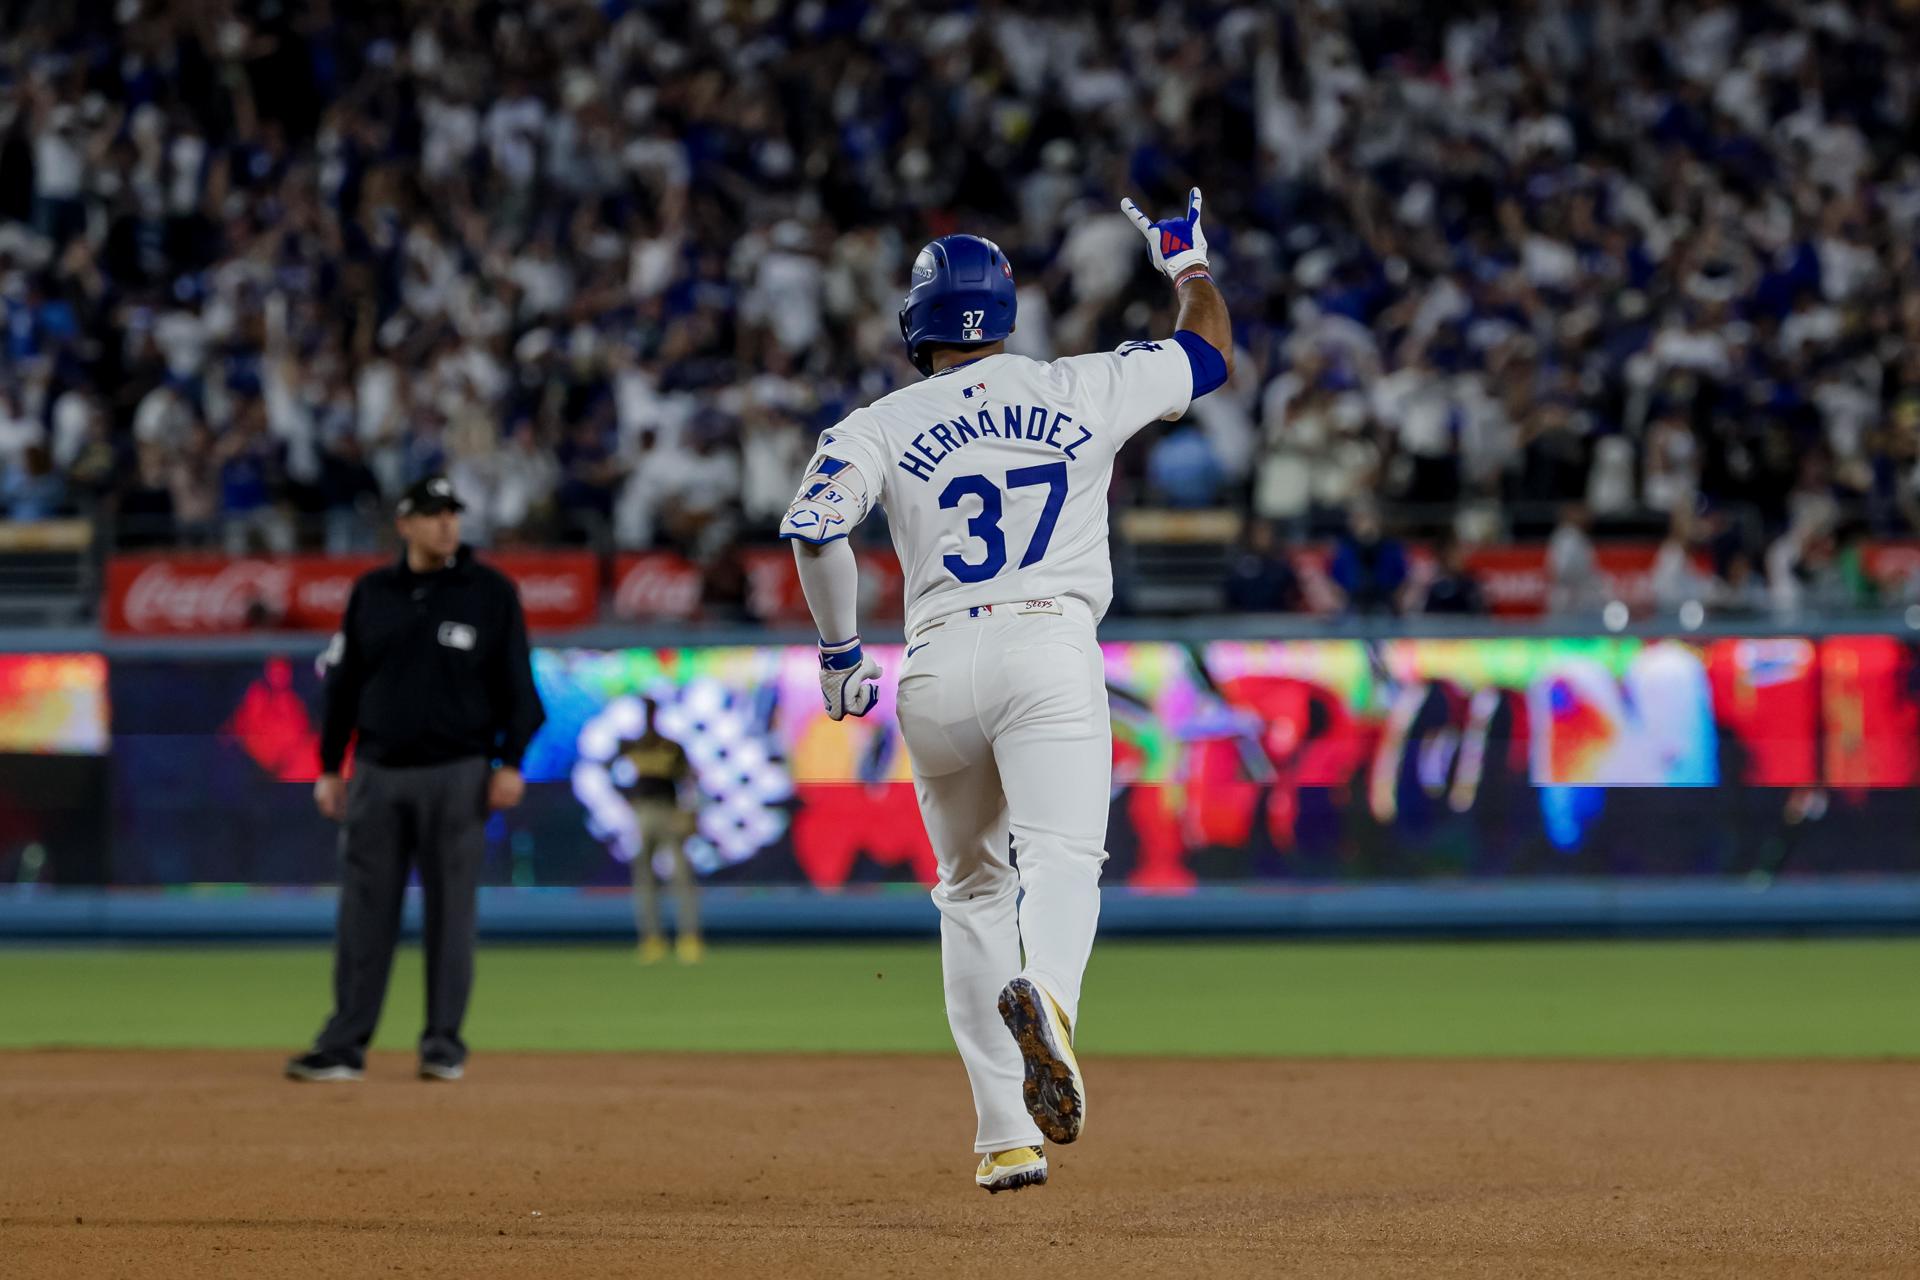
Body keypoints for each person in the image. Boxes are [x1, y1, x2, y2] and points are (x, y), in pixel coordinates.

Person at [783, 191, 1231, 1194]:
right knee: (1063, 855)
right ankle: (1054, 1009)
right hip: (1048, 645)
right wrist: (1188, 266)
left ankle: (1004, 1137)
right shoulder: (1081, 385)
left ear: (918, 324)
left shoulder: (878, 423)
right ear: (1008, 312)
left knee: (971, 892)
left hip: (937, 663)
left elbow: (814, 529)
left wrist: (840, 653)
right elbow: (1208, 357)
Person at [286, 476, 546, 1084]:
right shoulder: (372, 592)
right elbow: (343, 688)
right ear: (404, 524)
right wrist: (329, 766)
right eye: (432, 514)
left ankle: (442, 1044)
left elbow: (520, 692)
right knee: (362, 915)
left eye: (452, 513)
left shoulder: (489, 593)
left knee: (452, 916)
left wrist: (511, 763)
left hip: (458, 773)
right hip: (376, 774)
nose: (446, 525)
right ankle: (345, 1045)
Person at [616, 699, 702, 964]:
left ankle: (688, 937)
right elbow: (613, 775)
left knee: (680, 875)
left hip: (669, 810)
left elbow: (688, 779)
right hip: (643, 811)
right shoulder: (632, 746)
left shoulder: (671, 747)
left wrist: (689, 812)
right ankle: (651, 938)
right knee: (645, 877)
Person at [1328, 502, 1408, 615]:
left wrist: (1394, 605)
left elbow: (1401, 581)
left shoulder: (1391, 548)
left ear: (1377, 520)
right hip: (1352, 608)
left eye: (1364, 517)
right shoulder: (1344, 549)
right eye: (1357, 518)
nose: (1362, 523)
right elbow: (1336, 584)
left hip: (1385, 607)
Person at [1420, 535, 1488, 615]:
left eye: (1458, 555)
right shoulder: (1432, 581)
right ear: (1444, 557)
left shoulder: (1471, 582)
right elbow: (1425, 612)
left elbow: (1480, 610)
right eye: (1452, 556)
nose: (1456, 559)